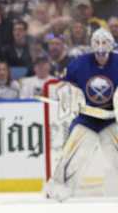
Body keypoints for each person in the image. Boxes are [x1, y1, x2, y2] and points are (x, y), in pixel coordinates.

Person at [45, 28, 118, 202]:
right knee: (73, 153)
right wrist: (67, 93)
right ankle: (59, 188)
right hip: (87, 119)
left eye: (104, 43)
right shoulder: (79, 63)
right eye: (97, 43)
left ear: (111, 45)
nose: (101, 49)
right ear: (92, 45)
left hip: (111, 119)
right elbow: (64, 86)